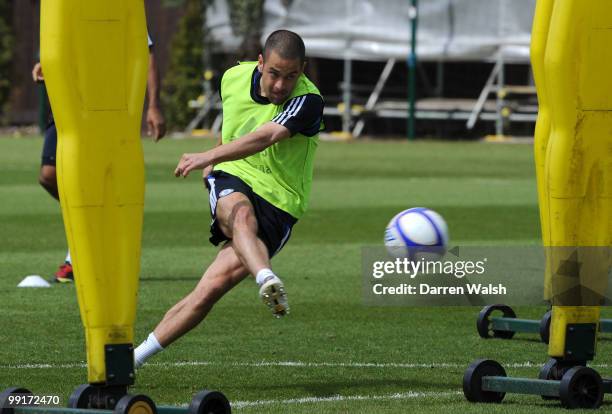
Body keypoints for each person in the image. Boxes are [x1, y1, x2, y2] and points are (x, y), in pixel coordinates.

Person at [133, 29, 324, 367]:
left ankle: (133, 360)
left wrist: (206, 156)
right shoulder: (233, 77)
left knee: (208, 290)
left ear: (303, 70)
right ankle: (266, 277)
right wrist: (215, 163)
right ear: (261, 63)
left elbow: (267, 135)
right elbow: (234, 123)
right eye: (275, 74)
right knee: (240, 217)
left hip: (280, 203)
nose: (281, 85)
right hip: (233, 176)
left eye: (291, 76)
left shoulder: (309, 100)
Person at [33, 34, 166, 283]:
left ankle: (78, 256)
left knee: (92, 177)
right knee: (49, 175)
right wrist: (47, 65)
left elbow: (146, 53)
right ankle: (97, 229)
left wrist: (153, 105)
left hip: (104, 107)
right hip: (67, 103)